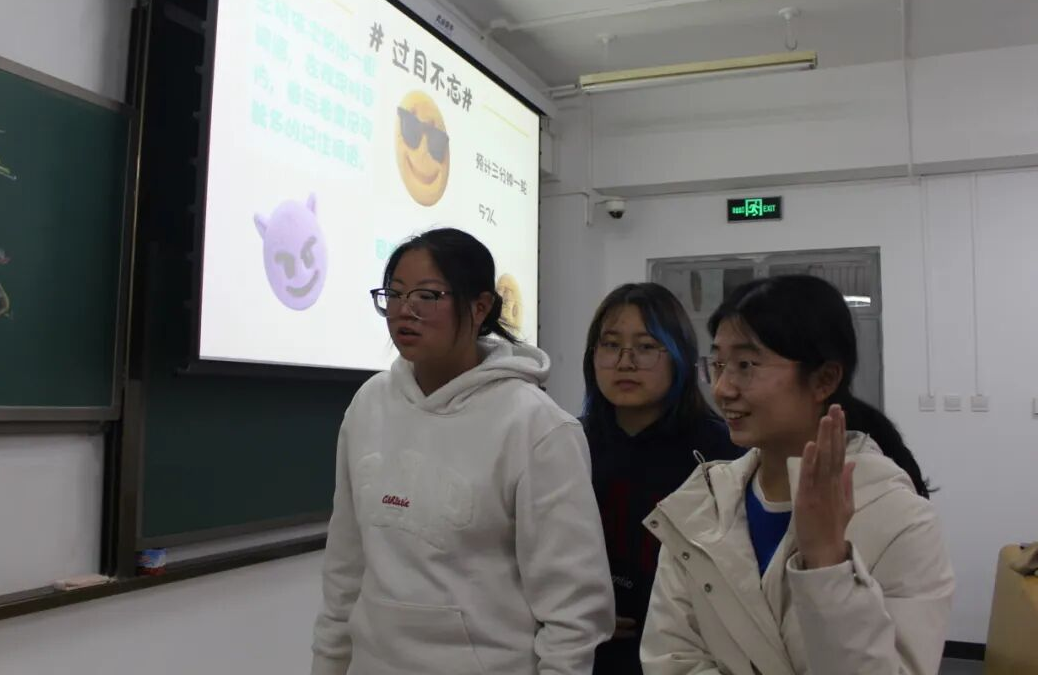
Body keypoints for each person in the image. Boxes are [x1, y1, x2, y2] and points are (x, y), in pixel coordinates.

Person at [311, 227, 615, 675]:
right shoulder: (369, 404)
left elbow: (574, 610)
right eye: (394, 294)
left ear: (480, 307)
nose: (404, 311)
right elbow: (344, 569)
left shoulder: (536, 426)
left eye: (427, 296)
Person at [640, 275, 954, 675]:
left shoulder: (899, 519)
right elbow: (673, 659)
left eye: (746, 365)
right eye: (718, 365)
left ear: (824, 380)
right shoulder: (702, 505)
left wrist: (827, 564)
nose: (722, 389)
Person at [580, 283, 744, 675]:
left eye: (646, 346)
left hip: (689, 654)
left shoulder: (721, 452)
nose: (626, 362)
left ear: (679, 356)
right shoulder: (567, 443)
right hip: (580, 652)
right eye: (611, 345)